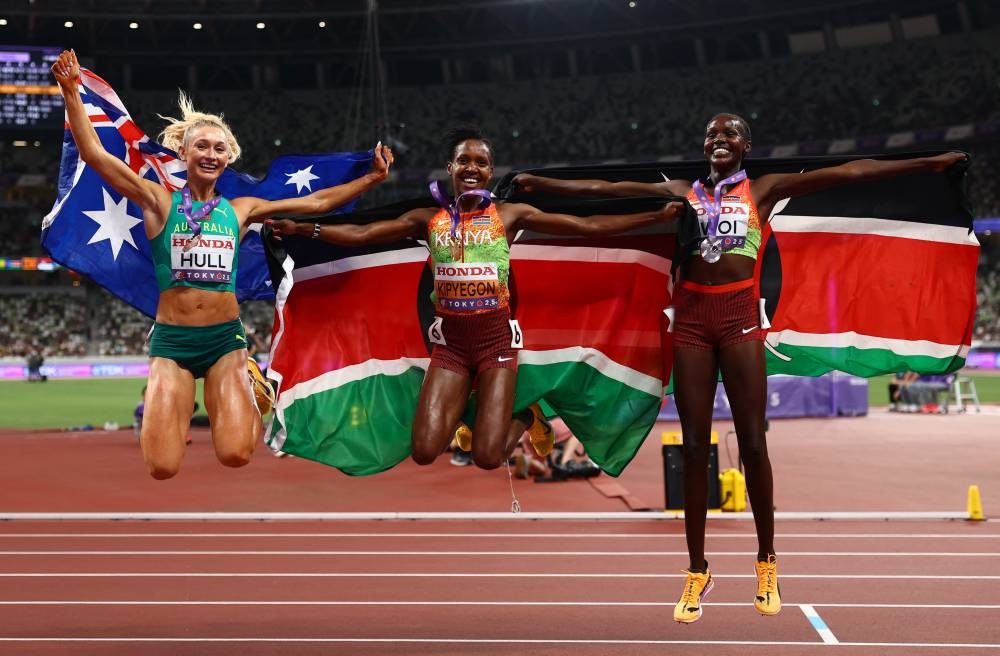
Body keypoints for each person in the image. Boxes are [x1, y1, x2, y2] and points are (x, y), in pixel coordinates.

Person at [514, 113, 966, 623]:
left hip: (740, 321)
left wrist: (930, 163)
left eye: (729, 134)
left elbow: (850, 173)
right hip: (690, 322)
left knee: (753, 442)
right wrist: (542, 183)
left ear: (746, 145)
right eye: (711, 135)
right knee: (693, 443)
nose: (718, 140)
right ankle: (696, 570)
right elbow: (608, 187)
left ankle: (767, 560)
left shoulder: (765, 190)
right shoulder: (684, 192)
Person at [52, 49, 393, 479]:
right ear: (184, 152)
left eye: (218, 148)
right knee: (161, 466)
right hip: (172, 343)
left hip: (224, 342)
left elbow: (314, 201)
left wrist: (371, 178)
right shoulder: (159, 201)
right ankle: (237, 387)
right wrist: (70, 94)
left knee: (235, 454)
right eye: (201, 146)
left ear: (227, 157)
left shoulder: (240, 209)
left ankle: (250, 378)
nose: (210, 154)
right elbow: (97, 156)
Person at [269, 127, 684, 472]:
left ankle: (525, 414)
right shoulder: (427, 220)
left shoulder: (508, 215)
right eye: (464, 160)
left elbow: (587, 226)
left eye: (481, 162)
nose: (472, 168)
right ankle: (476, 408)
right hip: (450, 346)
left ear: (489, 171)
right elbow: (361, 235)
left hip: (495, 345)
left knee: (487, 457)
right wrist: (308, 231)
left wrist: (653, 218)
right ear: (450, 167)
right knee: (425, 450)